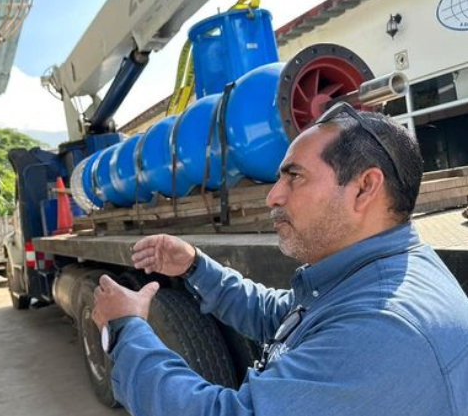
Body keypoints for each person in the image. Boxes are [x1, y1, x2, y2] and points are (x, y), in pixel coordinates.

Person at [92, 103, 468, 416]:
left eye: (295, 177)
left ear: (364, 188)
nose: (273, 196)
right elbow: (283, 318)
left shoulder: (383, 328)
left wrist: (126, 329)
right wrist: (195, 265)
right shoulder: (370, 278)